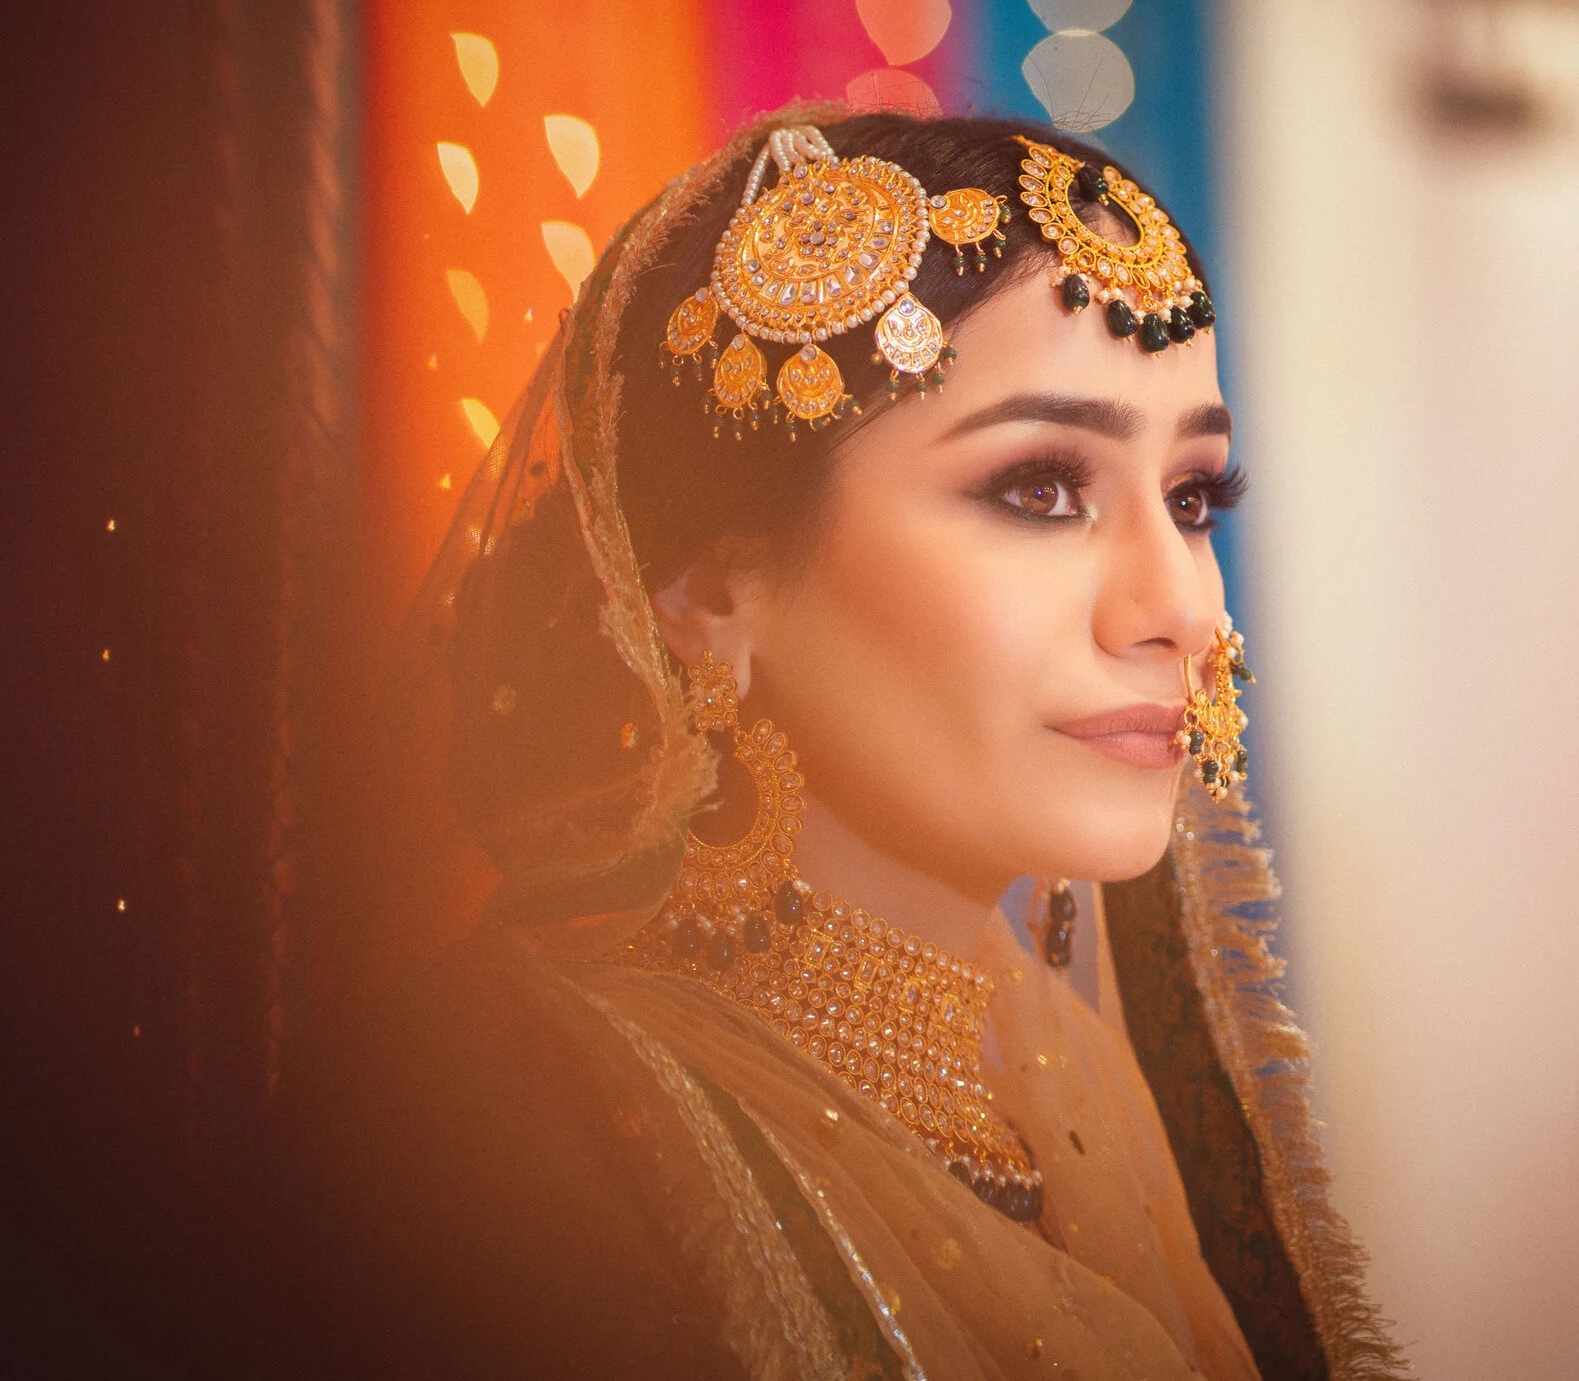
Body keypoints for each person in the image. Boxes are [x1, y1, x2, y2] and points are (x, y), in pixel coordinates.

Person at [307, 108, 1405, 1379]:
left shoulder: (1065, 1080)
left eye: (1192, 497)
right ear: (714, 591)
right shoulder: (504, 1126)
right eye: (1041, 489)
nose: (1180, 610)